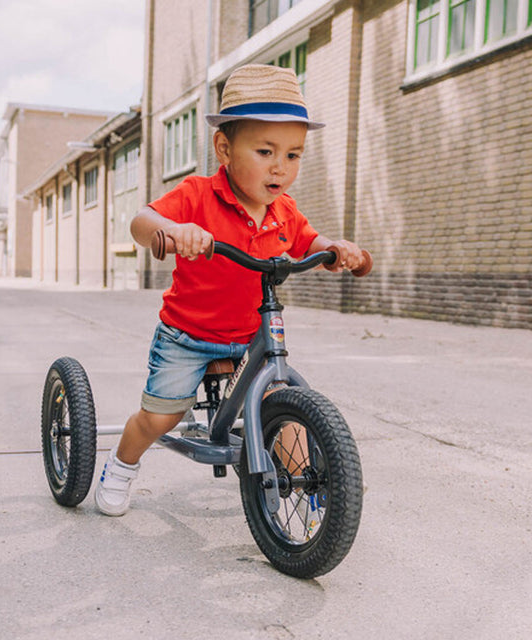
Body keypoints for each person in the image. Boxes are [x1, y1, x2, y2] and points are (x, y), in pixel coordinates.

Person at [95, 63, 366, 516]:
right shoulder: (198, 195)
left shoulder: (285, 210)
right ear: (224, 147)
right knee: (161, 417)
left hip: (250, 340)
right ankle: (121, 465)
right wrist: (174, 229)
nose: (280, 166)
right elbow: (142, 222)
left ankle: (308, 495)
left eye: (294, 155)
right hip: (188, 334)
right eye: (265, 151)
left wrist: (334, 248)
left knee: (282, 404)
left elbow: (309, 241)